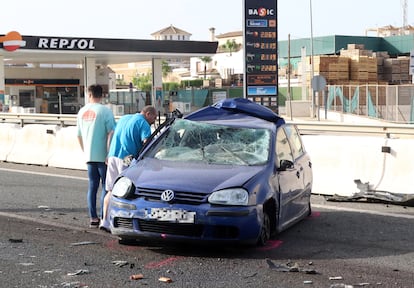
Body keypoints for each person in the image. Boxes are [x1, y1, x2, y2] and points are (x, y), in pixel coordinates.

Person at [99, 105, 157, 231]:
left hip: (113, 156)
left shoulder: (124, 118)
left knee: (110, 190)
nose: (154, 121)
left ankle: (104, 221)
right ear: (148, 114)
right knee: (125, 192)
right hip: (126, 159)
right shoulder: (144, 124)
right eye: (154, 117)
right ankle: (123, 223)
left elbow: (113, 134)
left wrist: (108, 154)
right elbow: (147, 142)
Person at [77, 84, 116, 228]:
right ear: (102, 95)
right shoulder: (105, 111)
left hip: (89, 155)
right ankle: (103, 217)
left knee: (92, 186)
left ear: (89, 94)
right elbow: (111, 133)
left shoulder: (81, 111)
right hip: (103, 156)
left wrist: (85, 151)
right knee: (106, 186)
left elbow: (79, 135)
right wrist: (108, 153)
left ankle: (93, 217)